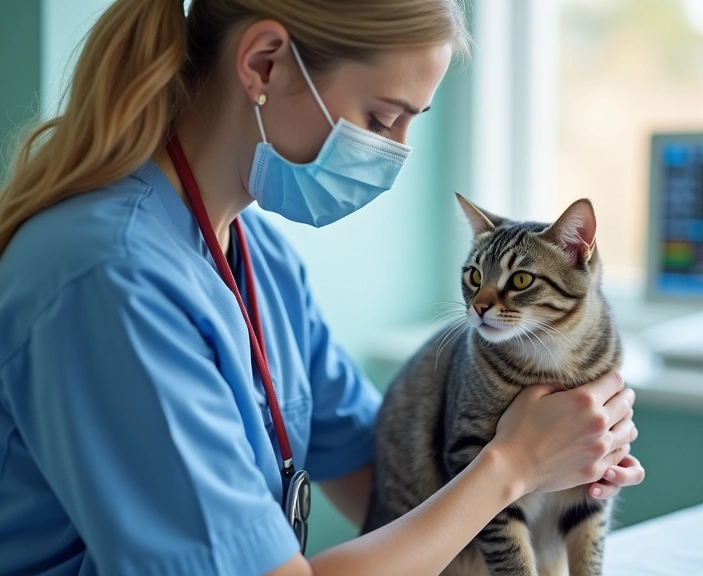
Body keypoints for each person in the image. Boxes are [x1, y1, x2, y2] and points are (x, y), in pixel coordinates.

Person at [0, 1, 645, 575]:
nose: (397, 153)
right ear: (265, 64)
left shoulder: (262, 261)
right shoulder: (106, 280)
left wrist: (564, 460)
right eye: (383, 117)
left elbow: (388, 478)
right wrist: (513, 465)